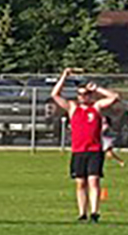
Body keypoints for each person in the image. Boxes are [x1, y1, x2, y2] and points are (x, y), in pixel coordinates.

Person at [50, 69, 120, 222]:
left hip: (94, 150)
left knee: (93, 180)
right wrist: (64, 75)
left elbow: (114, 97)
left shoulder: (96, 107)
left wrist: (96, 88)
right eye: (80, 94)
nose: (83, 97)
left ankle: (95, 212)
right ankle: (82, 213)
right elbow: (55, 95)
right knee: (80, 183)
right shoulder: (73, 108)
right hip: (78, 150)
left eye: (85, 94)